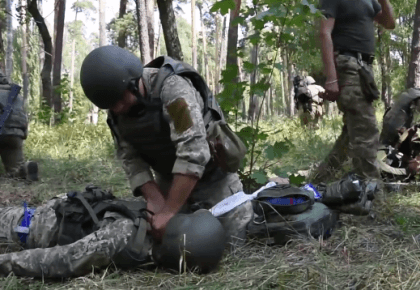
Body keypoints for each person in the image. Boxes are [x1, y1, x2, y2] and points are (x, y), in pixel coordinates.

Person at [80, 46, 252, 246]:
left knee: (230, 245)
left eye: (120, 99)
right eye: (111, 105)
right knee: (165, 247)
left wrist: (170, 211)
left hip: (214, 181)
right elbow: (130, 158)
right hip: (169, 183)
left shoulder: (172, 90)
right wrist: (156, 200)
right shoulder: (117, 110)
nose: (117, 108)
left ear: (133, 82)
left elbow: (193, 151)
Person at [0, 186, 227, 277]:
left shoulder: (122, 237)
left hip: (26, 226)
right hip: (55, 212)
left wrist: (5, 262)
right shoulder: (148, 240)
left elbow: (60, 260)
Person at [310, 0, 395, 184]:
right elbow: (324, 33)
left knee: (352, 132)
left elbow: (390, 24)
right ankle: (370, 190)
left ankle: (319, 181)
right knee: (365, 129)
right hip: (347, 65)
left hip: (364, 69)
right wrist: (331, 78)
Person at [0, 70, 38, 181]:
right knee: (14, 170)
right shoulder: (16, 94)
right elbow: (23, 118)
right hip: (14, 135)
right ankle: (24, 170)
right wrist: (22, 134)